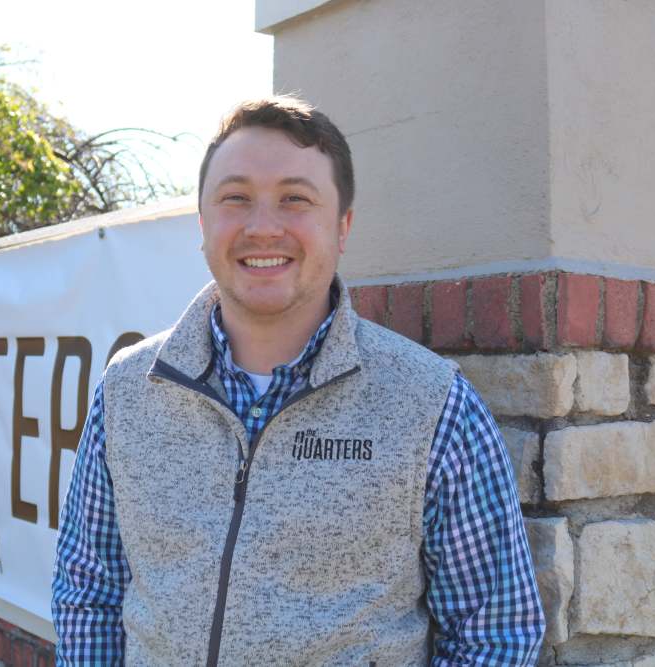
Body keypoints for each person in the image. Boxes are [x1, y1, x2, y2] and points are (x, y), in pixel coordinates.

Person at [52, 96, 545, 665]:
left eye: (295, 199)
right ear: (204, 224)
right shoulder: (128, 389)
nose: (263, 227)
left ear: (342, 227)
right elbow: (89, 591)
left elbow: (495, 632)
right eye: (235, 198)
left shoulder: (434, 406)